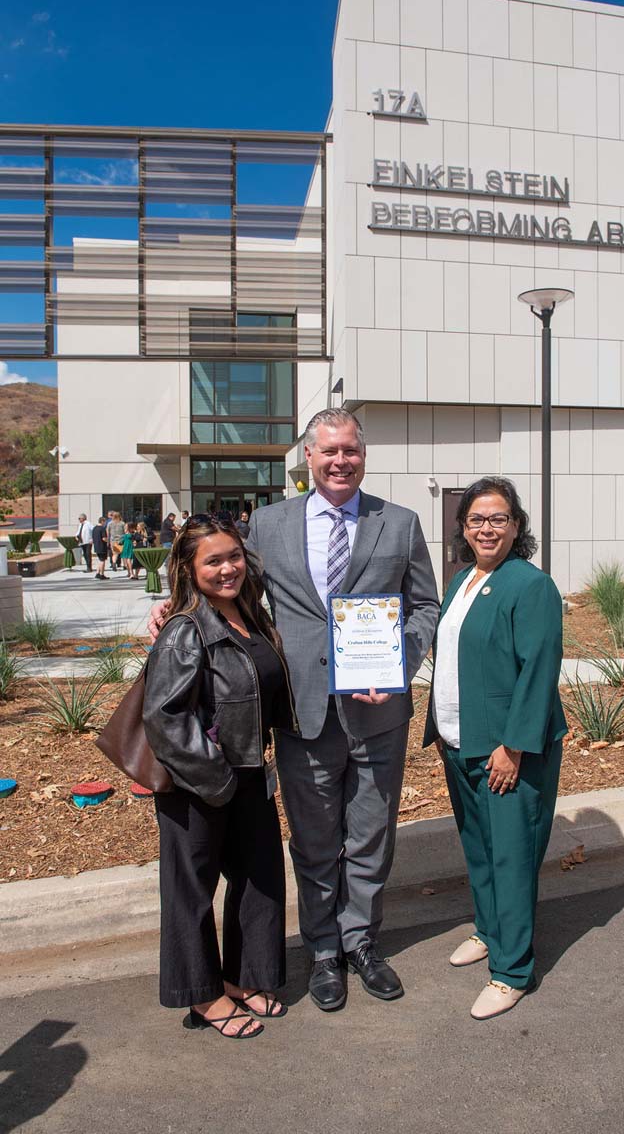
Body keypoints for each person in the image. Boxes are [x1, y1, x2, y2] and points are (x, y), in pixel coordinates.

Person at [149, 408, 439, 1012]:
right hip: (301, 713)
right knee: (311, 841)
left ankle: (362, 940)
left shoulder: (402, 523)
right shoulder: (271, 526)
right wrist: (169, 608)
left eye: (351, 451)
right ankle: (325, 948)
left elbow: (424, 607)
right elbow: (227, 585)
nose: (341, 462)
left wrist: (398, 664)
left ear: (364, 454)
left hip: (379, 714)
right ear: (307, 456)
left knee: (371, 835)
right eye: (329, 451)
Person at [143, 513, 294, 1039]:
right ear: (188, 567)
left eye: (234, 556)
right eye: (213, 560)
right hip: (199, 782)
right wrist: (216, 778)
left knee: (259, 878)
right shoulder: (185, 630)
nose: (228, 568)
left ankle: (245, 977)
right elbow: (164, 718)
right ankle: (203, 996)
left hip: (251, 771)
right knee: (191, 891)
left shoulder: (252, 616)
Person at [423, 476, 566, 1021]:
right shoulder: (461, 581)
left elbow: (538, 672)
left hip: (508, 749)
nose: (487, 528)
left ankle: (512, 971)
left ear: (517, 526)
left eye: (498, 518)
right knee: (479, 847)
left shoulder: (530, 586)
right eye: (476, 519)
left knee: (511, 855)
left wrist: (513, 747)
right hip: (460, 739)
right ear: (462, 527)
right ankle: (490, 931)